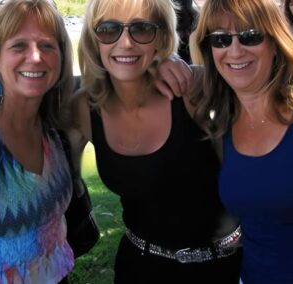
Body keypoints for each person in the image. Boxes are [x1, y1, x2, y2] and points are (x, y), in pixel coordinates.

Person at [67, 0, 242, 283]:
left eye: (142, 29)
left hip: (220, 268)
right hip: (139, 269)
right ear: (93, 38)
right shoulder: (83, 108)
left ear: (161, 36)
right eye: (109, 29)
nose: (125, 43)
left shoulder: (190, 87)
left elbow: (272, 88)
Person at [188, 0, 293, 282]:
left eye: (250, 36)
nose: (235, 50)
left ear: (274, 42)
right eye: (221, 39)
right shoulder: (222, 125)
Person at [0, 0, 76, 282]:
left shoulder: (53, 130)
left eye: (47, 46)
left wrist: (170, 64)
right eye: (19, 46)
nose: (35, 57)